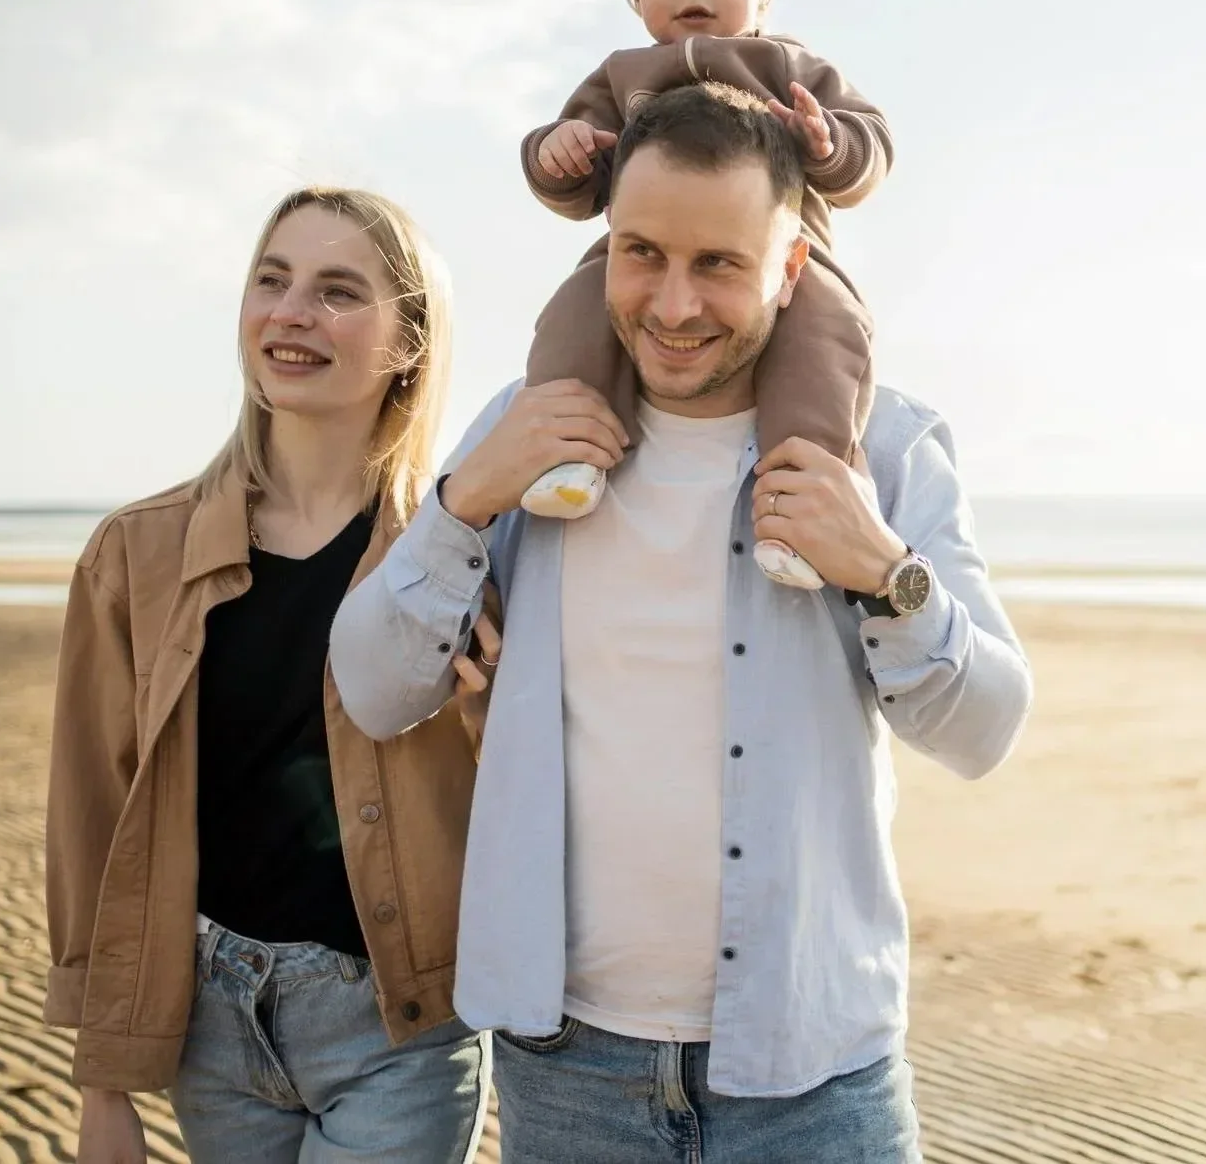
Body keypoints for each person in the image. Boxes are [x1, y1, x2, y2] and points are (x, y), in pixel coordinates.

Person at [331, 84, 1033, 1162]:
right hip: (567, 1068)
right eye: (642, 252)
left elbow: (985, 732)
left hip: (815, 1073)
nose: (670, 304)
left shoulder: (882, 449)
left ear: (790, 269)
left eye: (719, 264)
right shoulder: (524, 437)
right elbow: (374, 691)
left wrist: (887, 574)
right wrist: (464, 501)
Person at [44, 188, 490, 1164]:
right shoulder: (133, 555)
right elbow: (92, 814)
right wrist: (102, 1086)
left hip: (400, 1027)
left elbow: (530, 790)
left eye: (337, 291)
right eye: (272, 281)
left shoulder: (464, 560)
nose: (290, 314)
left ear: (409, 341)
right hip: (213, 1024)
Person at [516, 0, 889, 595]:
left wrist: (829, 142)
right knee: (571, 316)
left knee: (829, 341)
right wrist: (555, 155)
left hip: (780, 265)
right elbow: (572, 177)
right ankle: (571, 454)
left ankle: (800, 504)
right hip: (644, 254)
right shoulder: (621, 77)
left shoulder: (787, 64)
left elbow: (871, 144)